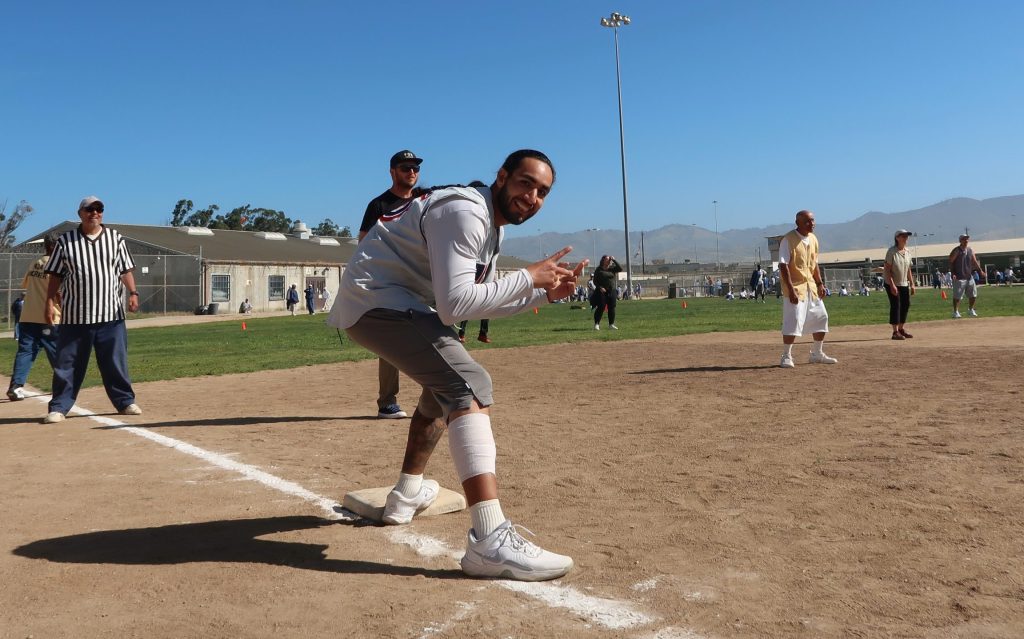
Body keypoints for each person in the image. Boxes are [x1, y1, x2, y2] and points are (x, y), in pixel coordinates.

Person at [328, 149, 580, 581]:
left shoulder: (489, 227)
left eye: (543, 192)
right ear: (501, 177)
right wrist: (529, 278)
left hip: (391, 302)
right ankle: (490, 540)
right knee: (469, 383)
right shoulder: (466, 211)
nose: (532, 197)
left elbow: (479, 301)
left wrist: (541, 294)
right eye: (525, 183)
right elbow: (455, 305)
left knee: (441, 386)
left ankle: (406, 494)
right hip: (376, 301)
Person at [42, 196, 141, 423]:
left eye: (99, 209)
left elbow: (125, 270)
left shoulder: (115, 239)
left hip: (111, 315)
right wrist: (49, 302)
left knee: (115, 362)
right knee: (67, 365)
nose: (94, 213)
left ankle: (125, 402)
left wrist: (133, 293)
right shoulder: (66, 241)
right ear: (80, 213)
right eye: (89, 209)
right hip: (75, 316)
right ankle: (59, 407)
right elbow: (55, 275)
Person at [356, 150, 427, 420]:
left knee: (436, 333)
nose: (412, 171)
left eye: (415, 168)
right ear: (392, 172)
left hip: (420, 278)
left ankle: (438, 395)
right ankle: (387, 402)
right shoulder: (379, 205)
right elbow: (364, 243)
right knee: (391, 342)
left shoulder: (423, 199)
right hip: (389, 281)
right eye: (405, 167)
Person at [777, 210, 837, 368]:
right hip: (796, 287)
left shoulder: (813, 239)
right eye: (807, 221)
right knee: (793, 319)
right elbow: (783, 265)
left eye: (812, 220)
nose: (811, 224)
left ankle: (817, 354)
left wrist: (820, 283)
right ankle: (786, 356)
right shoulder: (788, 239)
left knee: (821, 317)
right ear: (797, 223)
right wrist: (790, 289)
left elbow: (814, 264)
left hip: (811, 286)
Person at [7, 236, 61, 401]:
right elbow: (57, 291)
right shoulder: (56, 264)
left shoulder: (35, 263)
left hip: (28, 315)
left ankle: (16, 387)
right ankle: (63, 386)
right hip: (49, 316)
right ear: (54, 246)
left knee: (25, 351)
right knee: (57, 352)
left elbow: (27, 284)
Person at [884, 230, 916, 340]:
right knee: (896, 305)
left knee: (906, 304)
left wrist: (912, 284)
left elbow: (908, 269)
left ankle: (901, 328)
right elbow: (887, 269)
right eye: (903, 236)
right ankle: (895, 332)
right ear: (897, 238)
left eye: (907, 236)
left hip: (903, 283)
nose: (906, 238)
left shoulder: (907, 252)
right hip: (891, 282)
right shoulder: (892, 251)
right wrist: (892, 285)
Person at [949, 234, 982, 318]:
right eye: (964, 239)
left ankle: (970, 310)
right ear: (960, 241)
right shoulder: (957, 250)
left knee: (973, 294)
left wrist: (980, 271)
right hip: (959, 276)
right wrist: (953, 273)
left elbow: (974, 262)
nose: (966, 241)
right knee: (958, 296)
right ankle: (955, 312)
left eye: (967, 239)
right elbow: (951, 261)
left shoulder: (970, 250)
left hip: (969, 276)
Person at [591, 255, 622, 330]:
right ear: (603, 260)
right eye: (607, 259)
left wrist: (614, 260)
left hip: (612, 291)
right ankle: (597, 324)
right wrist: (600, 287)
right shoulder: (599, 269)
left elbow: (620, 269)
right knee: (601, 307)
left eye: (609, 260)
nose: (609, 261)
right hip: (602, 291)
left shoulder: (612, 269)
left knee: (612, 307)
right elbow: (595, 281)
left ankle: (611, 324)